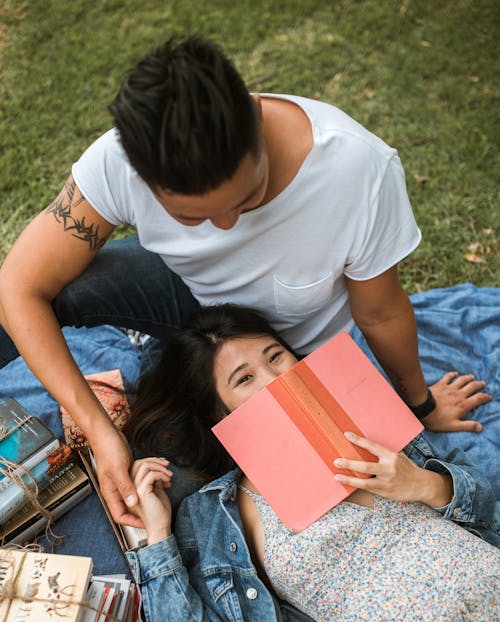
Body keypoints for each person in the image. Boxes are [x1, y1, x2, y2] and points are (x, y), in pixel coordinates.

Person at [0, 37, 491, 529]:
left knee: (171, 499)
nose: (230, 228)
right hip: (188, 296)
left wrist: (417, 403)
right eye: (194, 218)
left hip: (278, 355)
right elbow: (18, 287)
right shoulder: (118, 161)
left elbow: (381, 312)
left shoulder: (355, 169)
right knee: (50, 298)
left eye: (247, 197)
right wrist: (98, 429)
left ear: (256, 115)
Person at [124, 304, 499, 622]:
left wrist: (420, 483)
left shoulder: (369, 420)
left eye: (276, 357)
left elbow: (484, 503)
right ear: (220, 417)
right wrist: (157, 535)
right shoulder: (219, 512)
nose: (275, 379)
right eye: (244, 379)